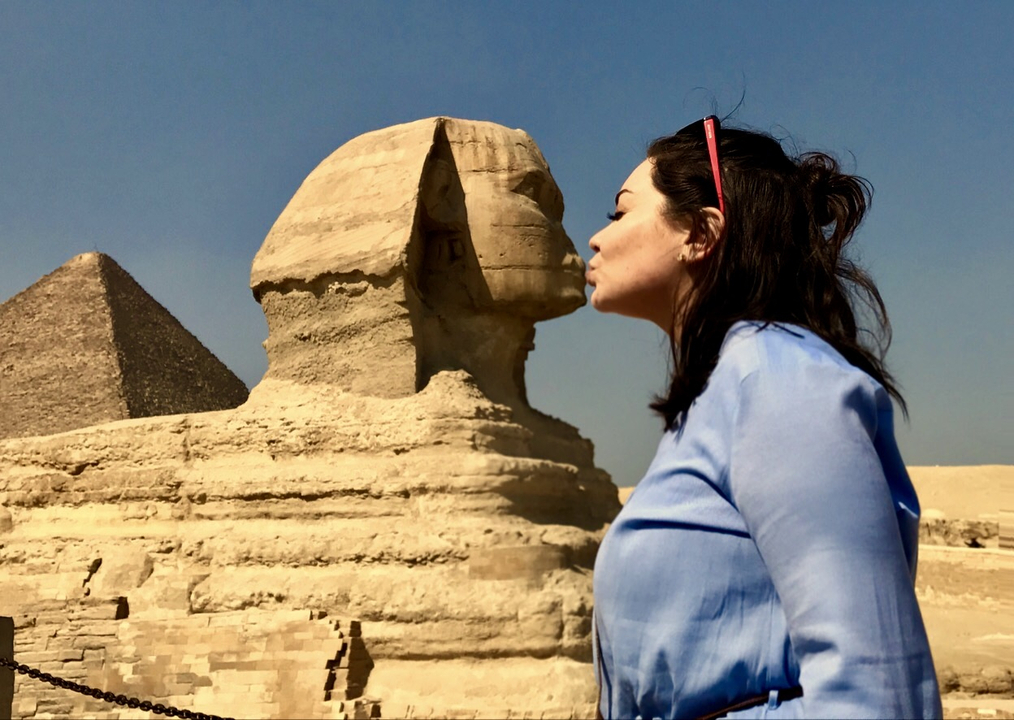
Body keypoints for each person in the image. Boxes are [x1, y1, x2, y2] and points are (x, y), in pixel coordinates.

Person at [586, 116, 942, 719]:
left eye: (620, 213)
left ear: (700, 233)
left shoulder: (776, 377)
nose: (596, 237)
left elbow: (875, 692)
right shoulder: (718, 394)